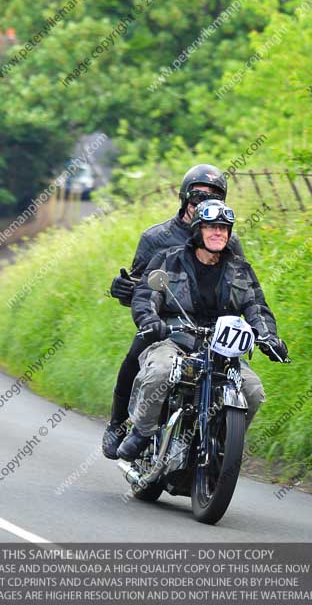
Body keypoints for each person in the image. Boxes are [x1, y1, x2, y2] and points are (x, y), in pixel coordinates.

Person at [117, 199, 288, 461]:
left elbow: (256, 306)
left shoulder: (239, 270)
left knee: (253, 390)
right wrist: (150, 320)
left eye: (224, 227)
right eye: (211, 227)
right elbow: (147, 295)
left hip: (220, 348)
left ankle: (220, 445)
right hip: (174, 340)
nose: (218, 232)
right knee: (161, 371)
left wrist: (268, 336)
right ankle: (142, 431)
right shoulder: (169, 260)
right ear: (198, 230)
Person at [103, 163, 250, 459]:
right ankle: (118, 424)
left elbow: (239, 284)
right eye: (198, 196)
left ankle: (218, 440)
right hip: (168, 323)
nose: (203, 202)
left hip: (211, 327)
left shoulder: (228, 241)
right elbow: (141, 288)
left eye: (213, 198)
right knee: (137, 354)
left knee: (245, 382)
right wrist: (122, 290)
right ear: (185, 197)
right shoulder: (156, 238)